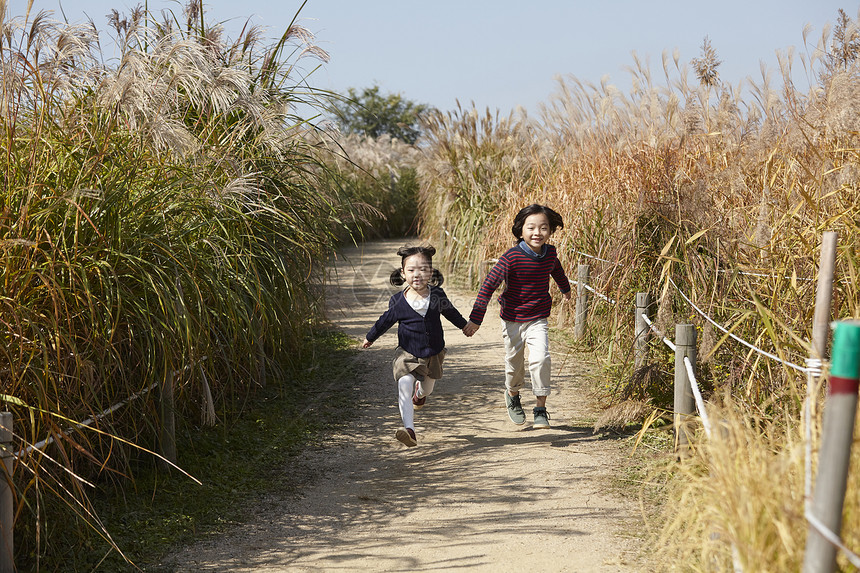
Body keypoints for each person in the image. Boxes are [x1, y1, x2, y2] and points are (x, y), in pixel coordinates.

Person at [462, 204, 571, 429]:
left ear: (550, 231)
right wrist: (476, 319)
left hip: (538, 318)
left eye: (543, 228)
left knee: (540, 358)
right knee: (515, 364)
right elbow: (488, 286)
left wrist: (565, 288)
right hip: (512, 319)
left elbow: (556, 269)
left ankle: (540, 408)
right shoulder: (511, 257)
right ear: (520, 230)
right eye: (531, 227)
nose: (537, 233)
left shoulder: (550, 253)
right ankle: (512, 394)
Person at [362, 245, 471, 447]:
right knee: (404, 383)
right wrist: (371, 337)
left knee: (427, 389)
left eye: (423, 269)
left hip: (433, 352)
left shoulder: (437, 295)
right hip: (406, 352)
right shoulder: (397, 301)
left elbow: (451, 313)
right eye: (411, 270)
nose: (417, 274)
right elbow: (384, 321)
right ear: (403, 274)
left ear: (431, 272)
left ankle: (419, 395)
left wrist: (465, 326)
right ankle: (409, 429)